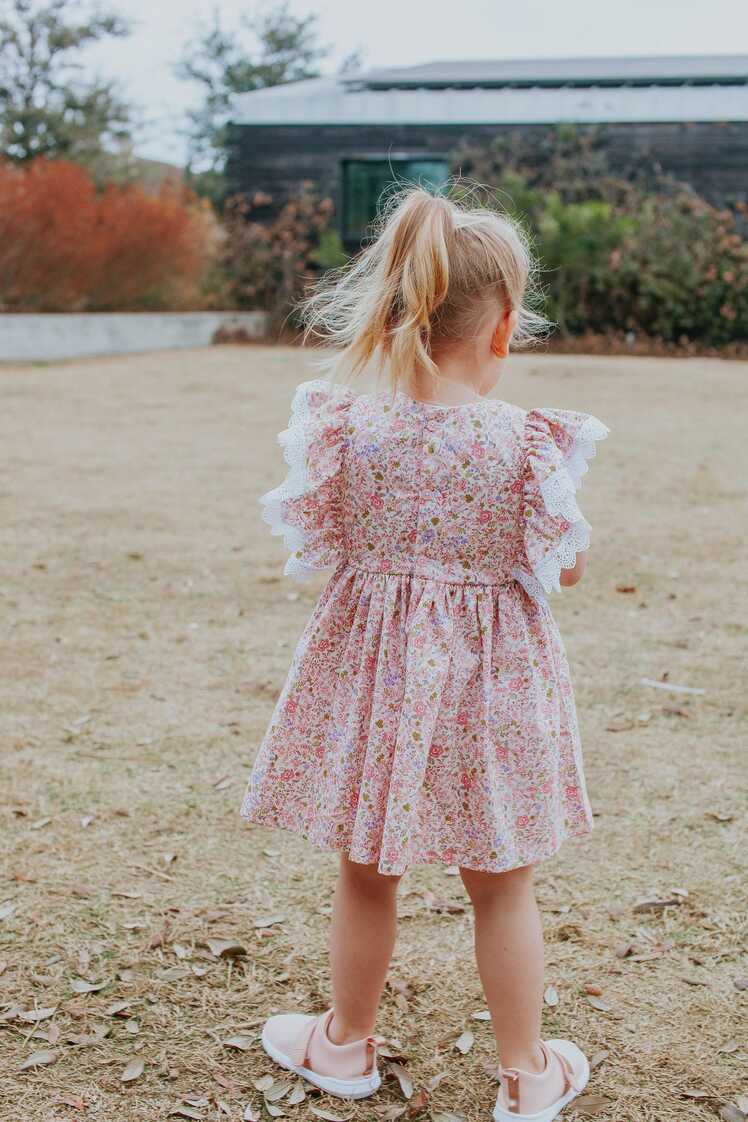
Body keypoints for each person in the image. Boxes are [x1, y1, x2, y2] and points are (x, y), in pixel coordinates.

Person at [240, 186, 609, 1121]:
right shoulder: (528, 444)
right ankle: (527, 1077)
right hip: (496, 688)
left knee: (368, 871)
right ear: (504, 330)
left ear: (400, 307)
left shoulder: (345, 429)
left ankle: (346, 1042)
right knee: (502, 885)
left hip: (375, 685)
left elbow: (318, 546)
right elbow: (562, 567)